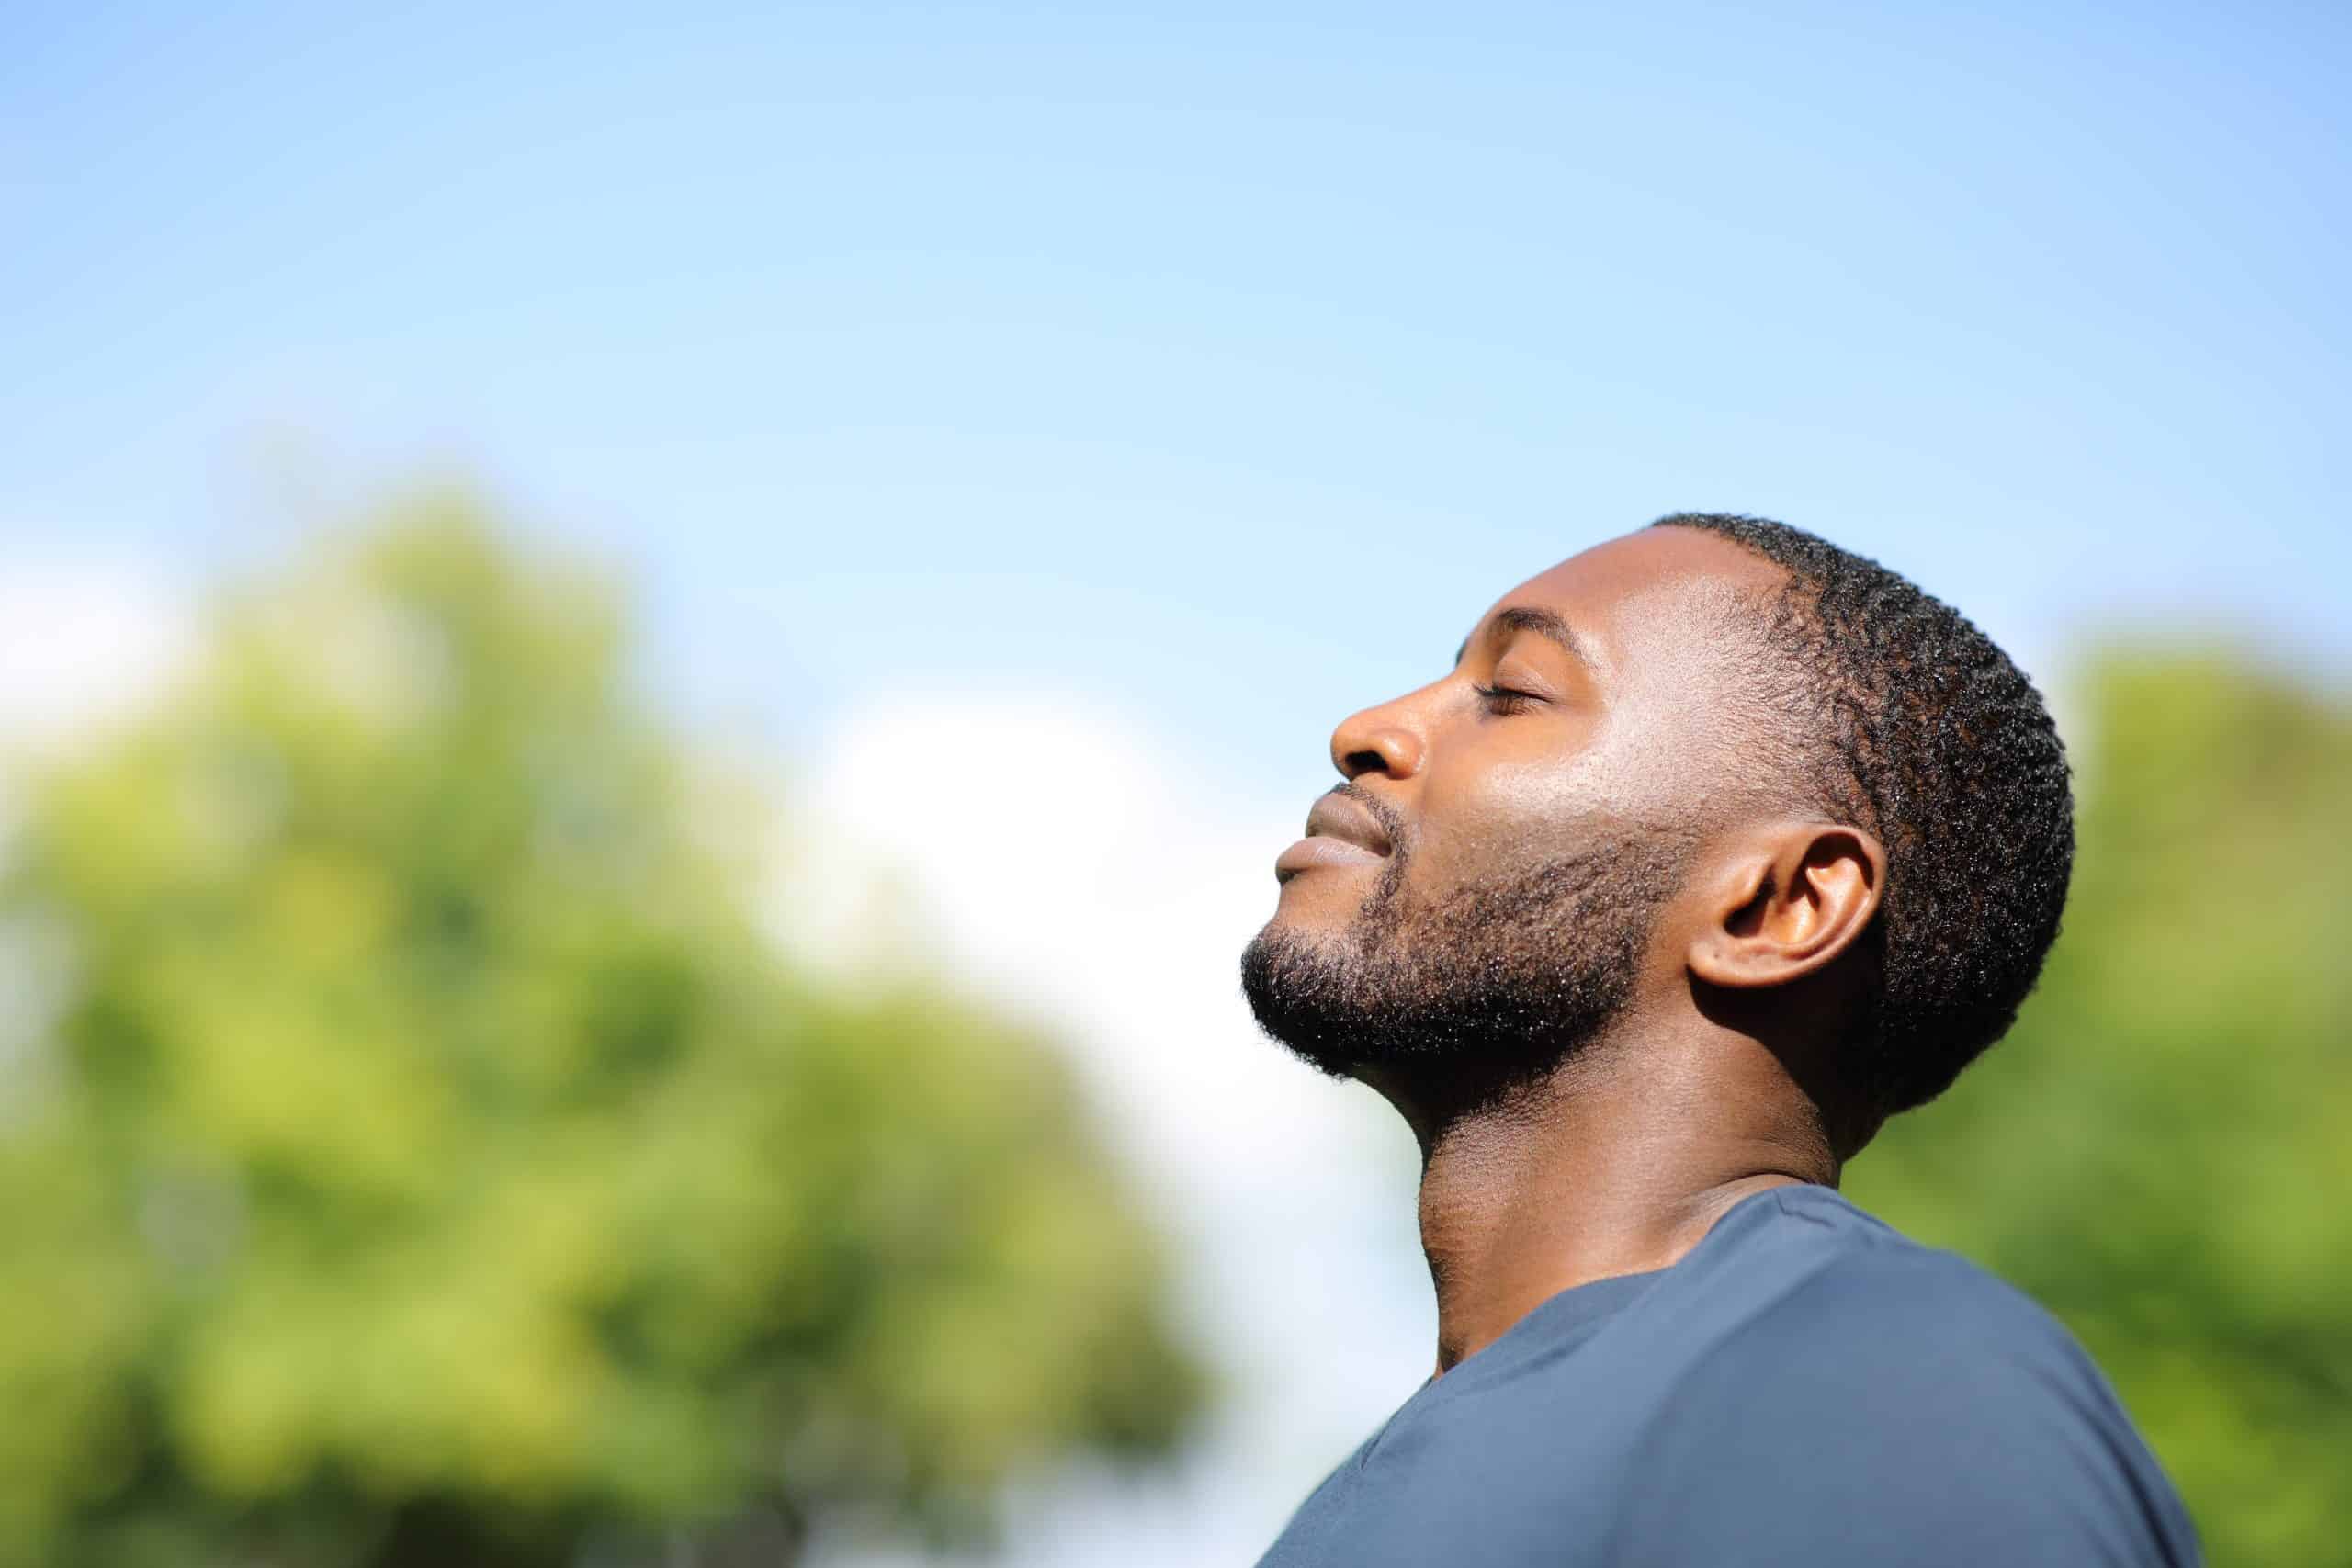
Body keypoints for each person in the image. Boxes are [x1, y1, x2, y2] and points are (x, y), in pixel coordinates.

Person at [1239, 514, 2199, 1567]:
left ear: (1778, 907)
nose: (1365, 729)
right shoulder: (1353, 1504)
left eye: (1511, 692)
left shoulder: (1887, 1385)